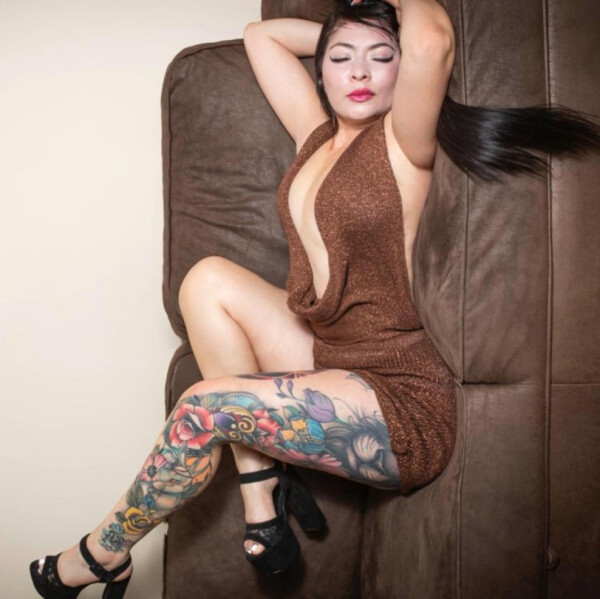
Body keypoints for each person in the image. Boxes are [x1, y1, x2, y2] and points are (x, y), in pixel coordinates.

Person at [29, 1, 600, 598]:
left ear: (402, 69)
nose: (360, 72)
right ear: (321, 70)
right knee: (205, 280)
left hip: (397, 396)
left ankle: (102, 555)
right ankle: (262, 497)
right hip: (332, 352)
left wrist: (388, 18)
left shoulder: (404, 141)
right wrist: (348, 29)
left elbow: (431, 41)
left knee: (202, 407)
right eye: (341, 58)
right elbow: (262, 37)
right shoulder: (317, 136)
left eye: (381, 57)